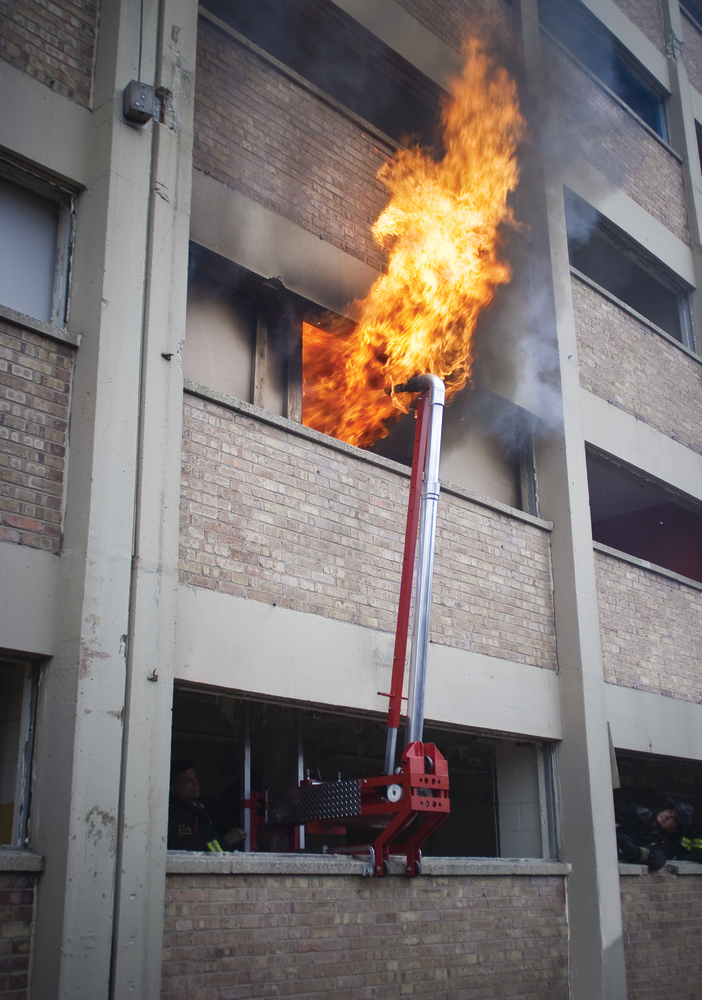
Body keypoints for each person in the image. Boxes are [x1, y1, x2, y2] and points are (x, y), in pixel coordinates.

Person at [168, 758, 246, 852]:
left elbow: (225, 809)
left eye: (195, 776)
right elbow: (192, 855)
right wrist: (227, 841)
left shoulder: (201, 804)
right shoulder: (174, 816)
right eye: (187, 780)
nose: (196, 783)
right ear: (173, 788)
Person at [615, 798, 693, 872]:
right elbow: (607, 811)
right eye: (669, 812)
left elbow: (657, 859)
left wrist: (636, 852)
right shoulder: (637, 812)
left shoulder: (662, 845)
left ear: (672, 830)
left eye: (673, 819)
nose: (667, 816)